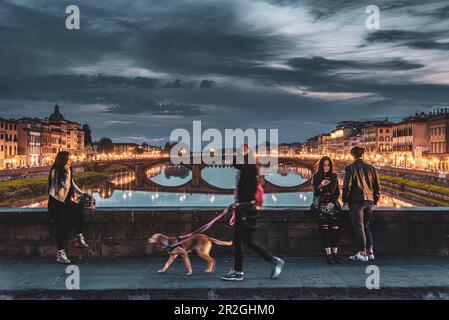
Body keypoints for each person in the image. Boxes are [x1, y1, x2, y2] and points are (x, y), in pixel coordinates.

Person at [221, 145, 285, 281]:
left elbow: (235, 163)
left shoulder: (249, 167)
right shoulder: (250, 168)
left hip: (245, 210)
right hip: (247, 208)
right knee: (248, 242)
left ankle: (238, 272)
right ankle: (273, 261)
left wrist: (241, 152)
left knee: (238, 241)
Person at [48, 151, 89, 264]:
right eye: (68, 159)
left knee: (78, 211)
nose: (71, 161)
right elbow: (59, 186)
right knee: (61, 225)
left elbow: (71, 183)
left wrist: (82, 193)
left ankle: (78, 237)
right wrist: (66, 172)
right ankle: (60, 253)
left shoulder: (68, 170)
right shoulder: (55, 172)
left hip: (65, 201)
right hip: (55, 202)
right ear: (63, 160)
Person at [342, 146, 381, 262]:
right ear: (363, 155)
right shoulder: (372, 168)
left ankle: (362, 253)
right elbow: (377, 187)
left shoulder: (350, 168)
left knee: (359, 227)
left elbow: (346, 186)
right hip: (369, 201)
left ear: (352, 155)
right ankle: (370, 251)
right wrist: (375, 201)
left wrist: (345, 201)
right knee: (366, 225)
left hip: (356, 201)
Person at [311, 156, 343, 264]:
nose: (326, 167)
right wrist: (321, 185)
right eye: (324, 165)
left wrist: (332, 202)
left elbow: (338, 192)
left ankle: (335, 254)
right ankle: (328, 255)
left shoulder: (334, 176)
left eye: (328, 165)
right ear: (321, 166)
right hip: (321, 205)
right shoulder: (316, 176)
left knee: (335, 229)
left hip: (332, 205)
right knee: (324, 229)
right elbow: (315, 193)